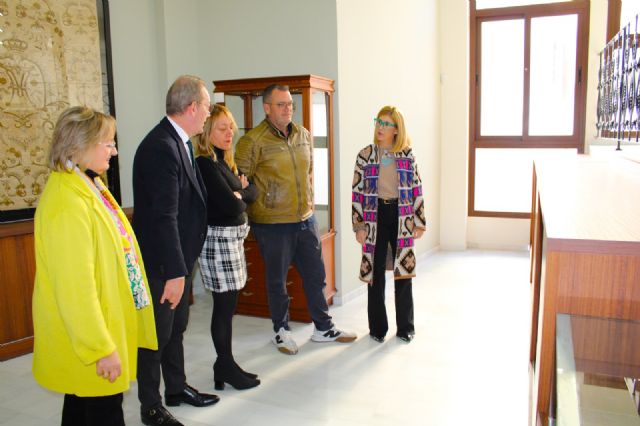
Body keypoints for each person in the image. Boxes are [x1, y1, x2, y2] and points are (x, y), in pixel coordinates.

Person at [32, 106, 158, 426]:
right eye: (107, 143)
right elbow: (75, 287)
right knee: (103, 411)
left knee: (80, 406)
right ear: (79, 145)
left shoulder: (91, 185)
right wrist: (100, 347)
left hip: (103, 321)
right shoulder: (66, 202)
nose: (114, 151)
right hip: (88, 336)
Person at [235, 84, 356, 355]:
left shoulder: (302, 134)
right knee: (277, 281)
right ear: (266, 108)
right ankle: (281, 330)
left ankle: (323, 328)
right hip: (272, 223)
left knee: (316, 276)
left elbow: (308, 171)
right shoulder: (252, 141)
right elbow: (242, 184)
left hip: (305, 219)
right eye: (281, 104)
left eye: (290, 103)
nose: (288, 108)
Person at [133, 75, 218, 426]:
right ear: (192, 108)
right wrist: (174, 272)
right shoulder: (160, 147)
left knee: (176, 328)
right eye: (208, 107)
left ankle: (176, 388)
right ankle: (150, 406)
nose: (209, 114)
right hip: (162, 264)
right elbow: (163, 217)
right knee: (155, 335)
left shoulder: (179, 142)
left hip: (178, 258)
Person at [194, 104, 260, 390]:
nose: (229, 132)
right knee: (223, 307)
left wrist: (240, 192)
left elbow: (253, 191)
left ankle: (226, 364)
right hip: (217, 243)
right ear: (207, 133)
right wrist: (239, 194)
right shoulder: (205, 164)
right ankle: (224, 363)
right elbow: (230, 204)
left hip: (232, 241)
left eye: (231, 126)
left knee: (229, 305)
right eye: (222, 128)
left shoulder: (225, 162)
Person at [351, 106, 426, 344]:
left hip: (401, 215)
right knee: (376, 275)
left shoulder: (407, 155)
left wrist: (419, 221)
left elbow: (417, 188)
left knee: (403, 273)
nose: (380, 127)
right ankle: (377, 328)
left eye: (386, 124)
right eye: (378, 122)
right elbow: (357, 192)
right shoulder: (365, 155)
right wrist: (359, 225)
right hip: (374, 217)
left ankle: (406, 328)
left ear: (396, 130)